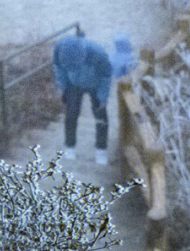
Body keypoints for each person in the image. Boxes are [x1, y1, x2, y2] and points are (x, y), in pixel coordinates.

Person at [52, 30, 134, 164]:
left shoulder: (98, 54)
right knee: (71, 113)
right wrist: (62, 86)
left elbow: (106, 76)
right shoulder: (60, 48)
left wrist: (103, 97)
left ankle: (101, 150)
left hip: (95, 84)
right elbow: (58, 67)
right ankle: (70, 146)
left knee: (101, 116)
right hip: (73, 84)